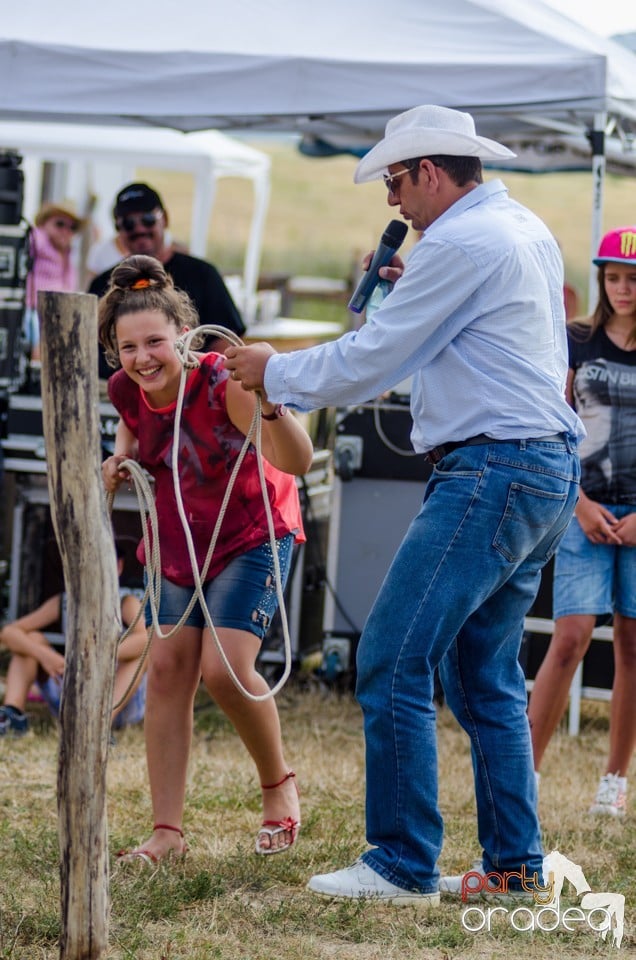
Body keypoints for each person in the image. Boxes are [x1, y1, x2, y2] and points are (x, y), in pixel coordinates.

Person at [225, 104, 583, 905]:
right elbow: (461, 340)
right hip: (537, 468)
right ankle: (514, 867)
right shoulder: (516, 226)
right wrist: (407, 286)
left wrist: (271, 371)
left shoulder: (458, 241)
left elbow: (375, 358)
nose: (392, 201)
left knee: (392, 657)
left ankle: (400, 862)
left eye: (395, 179)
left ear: (428, 170)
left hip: (492, 469)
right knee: (482, 673)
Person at [99, 254, 313, 863]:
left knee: (223, 668)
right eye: (130, 346)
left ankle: (278, 788)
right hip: (176, 538)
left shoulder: (225, 383)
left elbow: (297, 462)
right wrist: (120, 460)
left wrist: (270, 400)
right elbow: (137, 432)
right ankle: (167, 832)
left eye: (156, 343)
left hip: (252, 533)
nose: (144, 358)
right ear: (117, 352)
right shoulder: (124, 389)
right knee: (167, 671)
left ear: (181, 336)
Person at [528, 225, 636, 818]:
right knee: (567, 638)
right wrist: (579, 504)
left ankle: (613, 783)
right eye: (613, 277)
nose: (622, 288)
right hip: (584, 507)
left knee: (631, 646)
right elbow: (552, 421)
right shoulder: (575, 340)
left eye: (633, 278)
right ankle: (526, 775)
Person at [88, 182, 246, 376]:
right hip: (120, 398)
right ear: (118, 230)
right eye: (128, 224)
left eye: (147, 219)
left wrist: (205, 385)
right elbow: (90, 347)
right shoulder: (103, 284)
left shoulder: (203, 274)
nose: (138, 229)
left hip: (191, 394)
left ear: (166, 219)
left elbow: (226, 340)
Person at [0, 545, 147, 736]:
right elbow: (9, 632)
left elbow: (146, 639)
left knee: (143, 653)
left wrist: (95, 656)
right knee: (32, 639)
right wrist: (46, 657)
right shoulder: (65, 602)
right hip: (72, 692)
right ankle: (13, 713)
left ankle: (100, 725)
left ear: (118, 567)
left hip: (117, 697)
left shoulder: (125, 602)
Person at [25, 200, 86, 361]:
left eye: (72, 228)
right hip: (32, 311)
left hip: (58, 314)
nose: (66, 231)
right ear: (44, 223)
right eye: (60, 224)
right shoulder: (37, 240)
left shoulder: (68, 254)